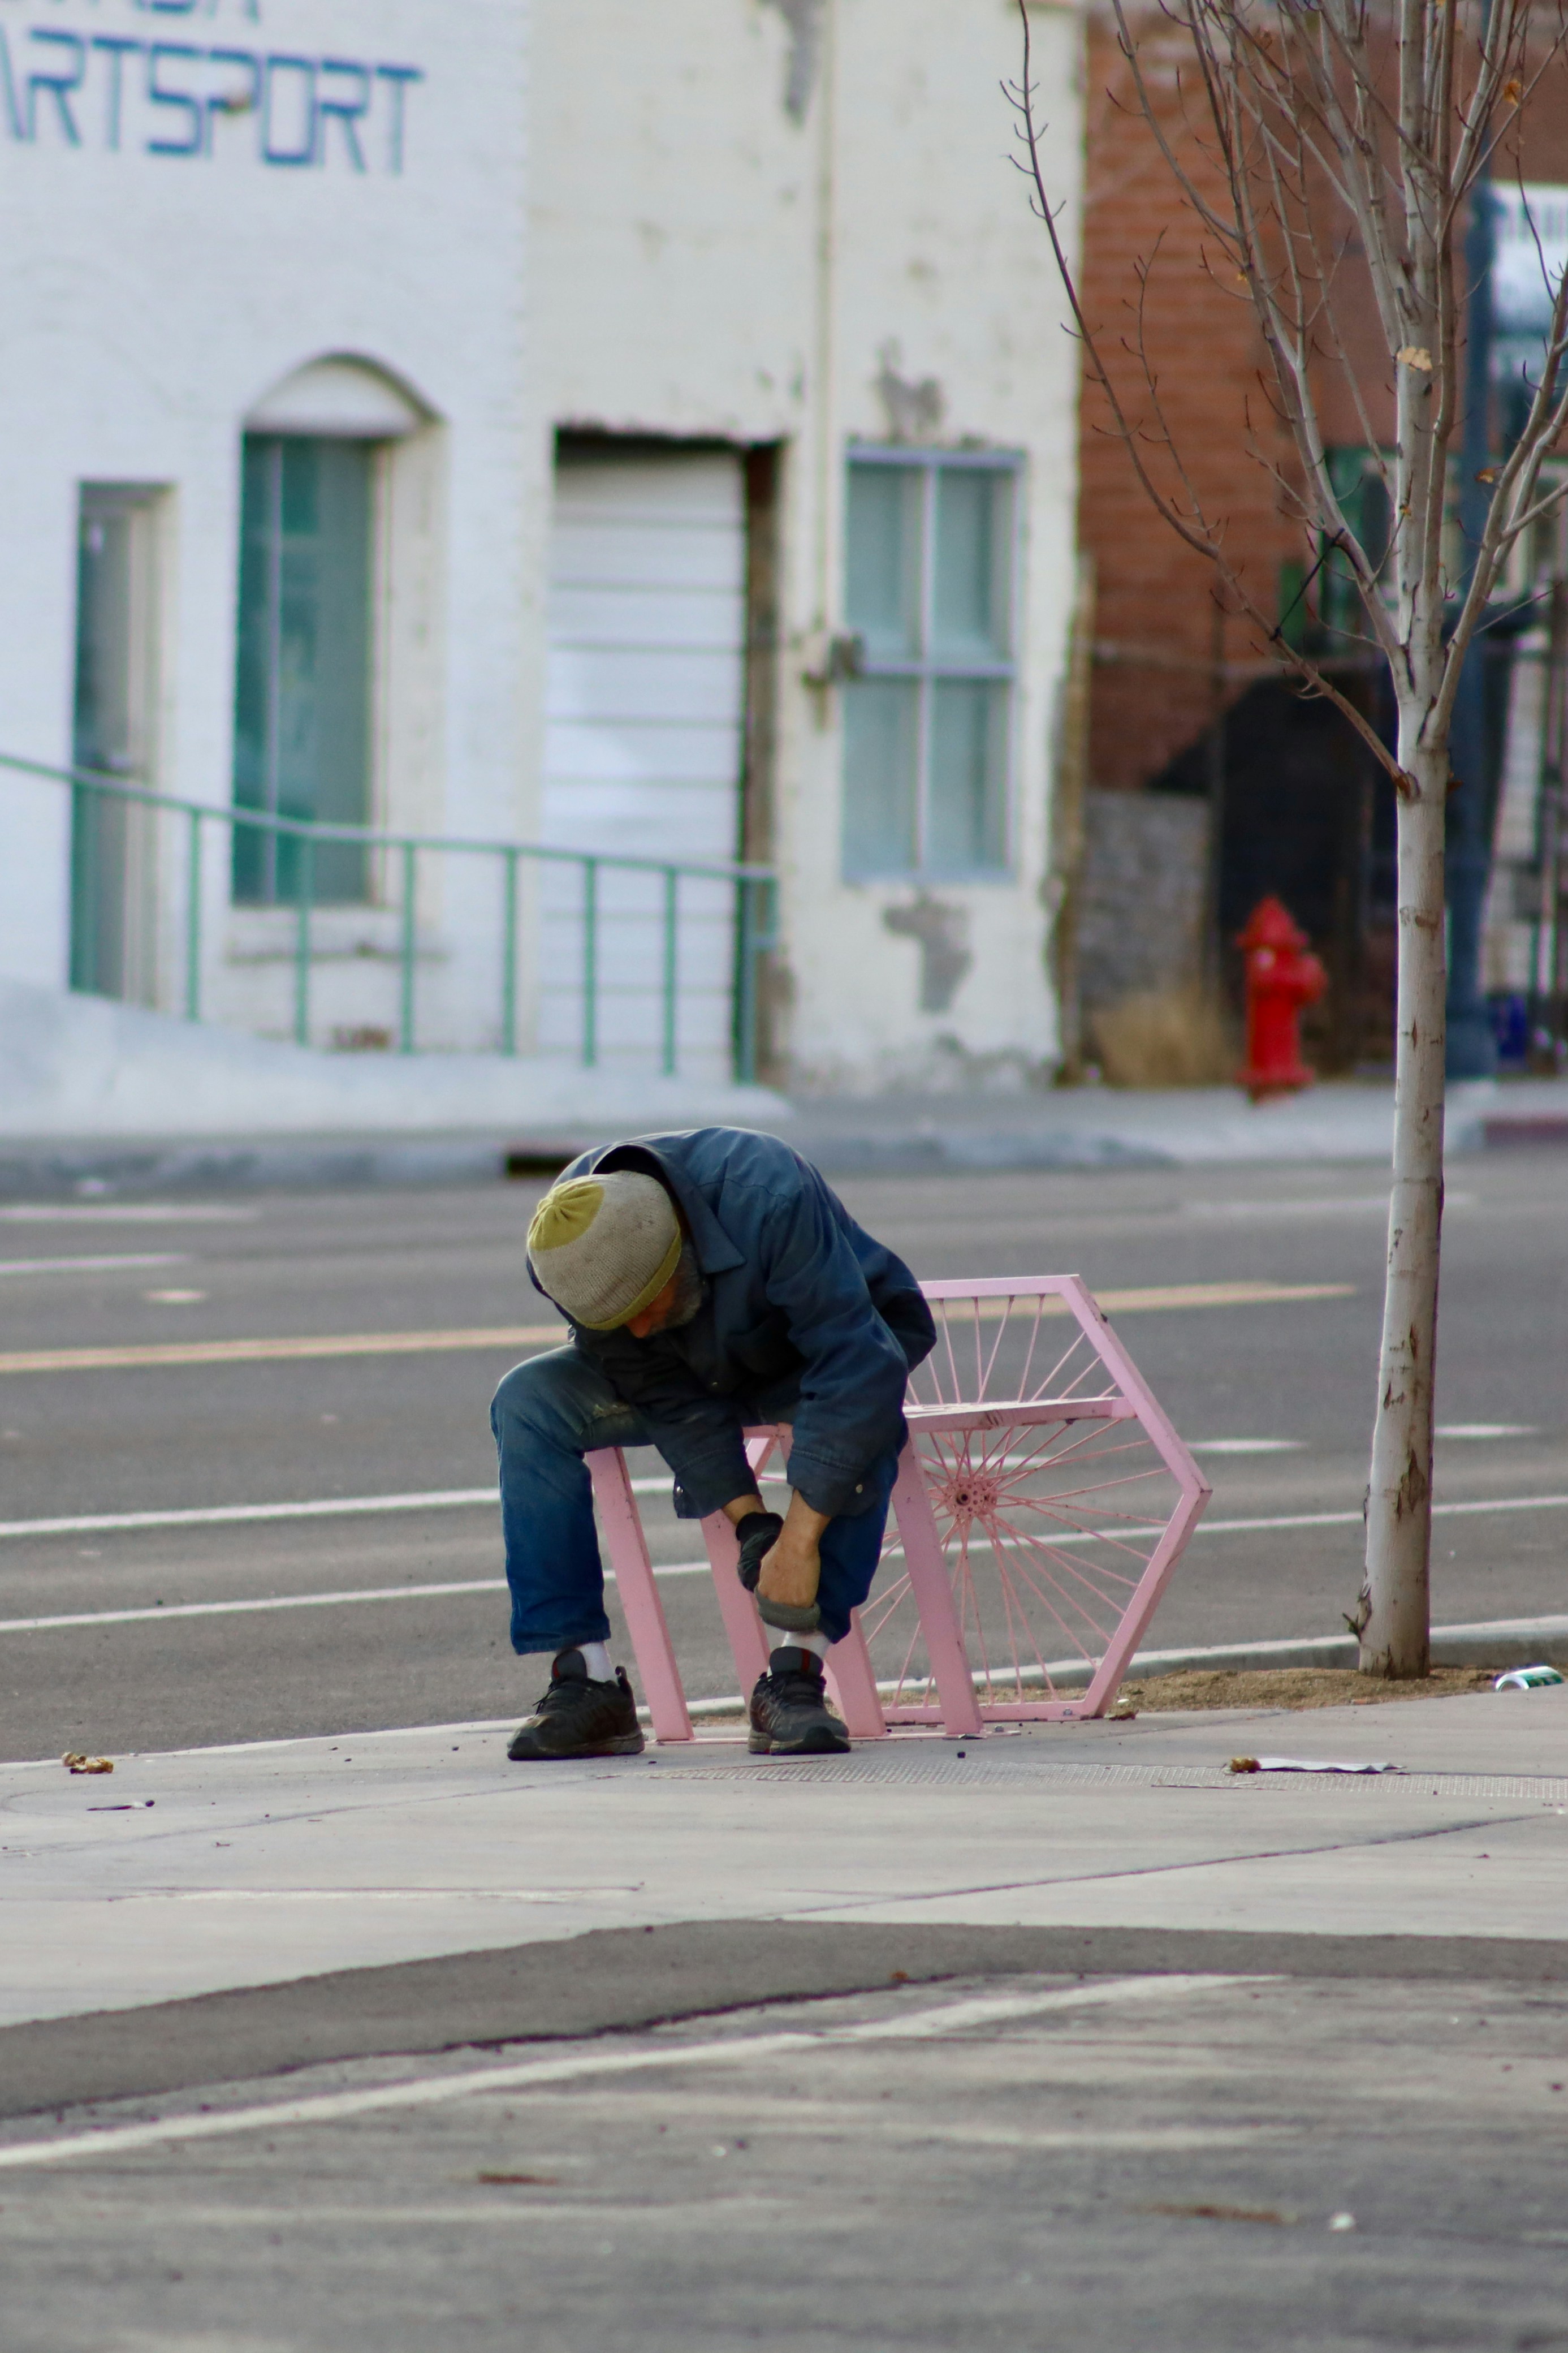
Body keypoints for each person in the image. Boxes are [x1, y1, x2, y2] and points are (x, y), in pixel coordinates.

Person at [491, 1126, 935, 1760]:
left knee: (862, 1416)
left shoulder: (768, 1194)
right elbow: (661, 1390)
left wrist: (798, 1539)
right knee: (526, 1400)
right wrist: (752, 1521)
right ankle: (585, 1682)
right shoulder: (569, 1246)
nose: (637, 1326)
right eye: (619, 1320)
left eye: (646, 1303)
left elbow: (854, 1364)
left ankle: (795, 1674)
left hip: (811, 1354)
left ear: (680, 1248)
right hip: (694, 1369)